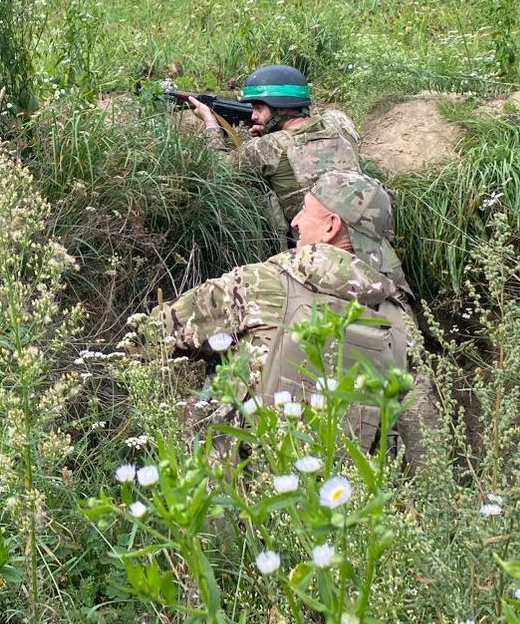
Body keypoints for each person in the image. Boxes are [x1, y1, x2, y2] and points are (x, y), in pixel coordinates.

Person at [152, 170, 433, 464]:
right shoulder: (399, 320)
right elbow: (423, 437)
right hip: (340, 489)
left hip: (242, 483)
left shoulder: (260, 284)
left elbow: (155, 333)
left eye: (305, 210)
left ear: (331, 226)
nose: (295, 221)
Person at [186, 64, 362, 235]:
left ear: (282, 107)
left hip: (313, 248)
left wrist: (210, 123)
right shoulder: (339, 122)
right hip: (364, 235)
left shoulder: (267, 147)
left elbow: (219, 170)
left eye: (258, 108)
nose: (253, 115)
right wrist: (271, 130)